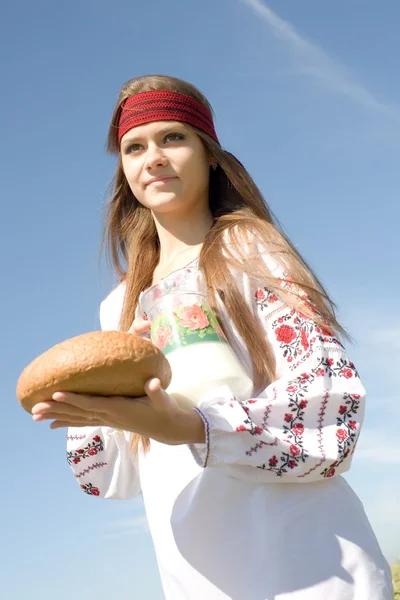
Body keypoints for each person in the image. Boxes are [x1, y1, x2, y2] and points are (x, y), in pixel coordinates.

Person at [32, 75, 394, 599]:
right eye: (135, 147)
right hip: (199, 578)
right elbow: (111, 478)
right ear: (124, 172)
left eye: (172, 138)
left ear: (209, 155)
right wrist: (108, 401)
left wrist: (193, 426)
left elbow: (332, 412)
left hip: (310, 567)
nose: (152, 157)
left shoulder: (247, 250)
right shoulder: (119, 309)